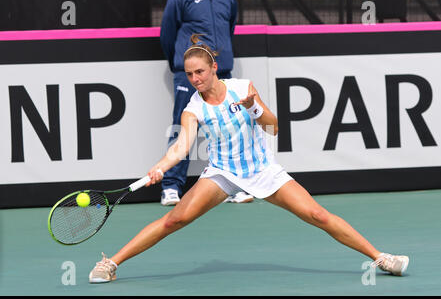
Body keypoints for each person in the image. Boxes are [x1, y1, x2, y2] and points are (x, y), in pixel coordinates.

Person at [88, 37, 409, 283]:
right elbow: (182, 147)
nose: (195, 78)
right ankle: (112, 263)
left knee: (317, 215)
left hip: (263, 170)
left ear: (214, 68)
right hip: (223, 173)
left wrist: (253, 107)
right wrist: (161, 166)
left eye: (200, 71)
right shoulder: (193, 107)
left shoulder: (242, 89)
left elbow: (273, 126)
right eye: (189, 74)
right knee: (175, 220)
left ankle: (380, 258)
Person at [159, 0, 253, 206]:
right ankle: (171, 186)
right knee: (182, 126)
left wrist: (221, 60)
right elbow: (167, 33)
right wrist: (180, 65)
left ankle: (233, 185)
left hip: (221, 70)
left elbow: (229, 29)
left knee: (230, 128)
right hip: (190, 73)